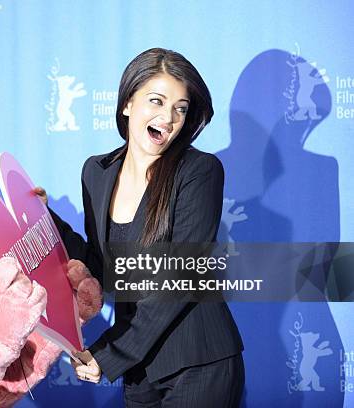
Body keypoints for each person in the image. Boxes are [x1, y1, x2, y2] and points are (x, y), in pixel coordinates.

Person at [35, 48, 244, 407]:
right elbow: (101, 268)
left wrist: (113, 354)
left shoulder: (200, 171)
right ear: (128, 103)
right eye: (157, 101)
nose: (168, 117)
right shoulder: (96, 172)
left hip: (198, 363)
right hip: (140, 369)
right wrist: (44, 219)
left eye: (180, 108)